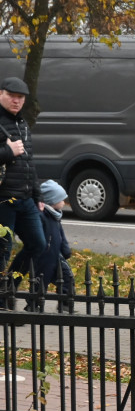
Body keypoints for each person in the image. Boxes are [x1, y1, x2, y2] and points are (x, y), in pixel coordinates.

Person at [0, 76, 45, 276]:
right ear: (0, 94)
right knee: (2, 251)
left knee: (38, 244)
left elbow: (29, 162)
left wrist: (38, 194)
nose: (16, 101)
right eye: (11, 95)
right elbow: (13, 154)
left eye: (20, 97)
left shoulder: (23, 124)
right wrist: (8, 151)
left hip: (25, 199)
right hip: (3, 199)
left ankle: (8, 288)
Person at [10, 180, 73, 312]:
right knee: (40, 284)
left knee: (68, 277)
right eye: (61, 199)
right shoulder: (41, 216)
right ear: (51, 200)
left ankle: (66, 304)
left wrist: (66, 250)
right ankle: (32, 306)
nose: (64, 201)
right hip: (44, 257)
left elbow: (61, 236)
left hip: (57, 256)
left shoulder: (56, 216)